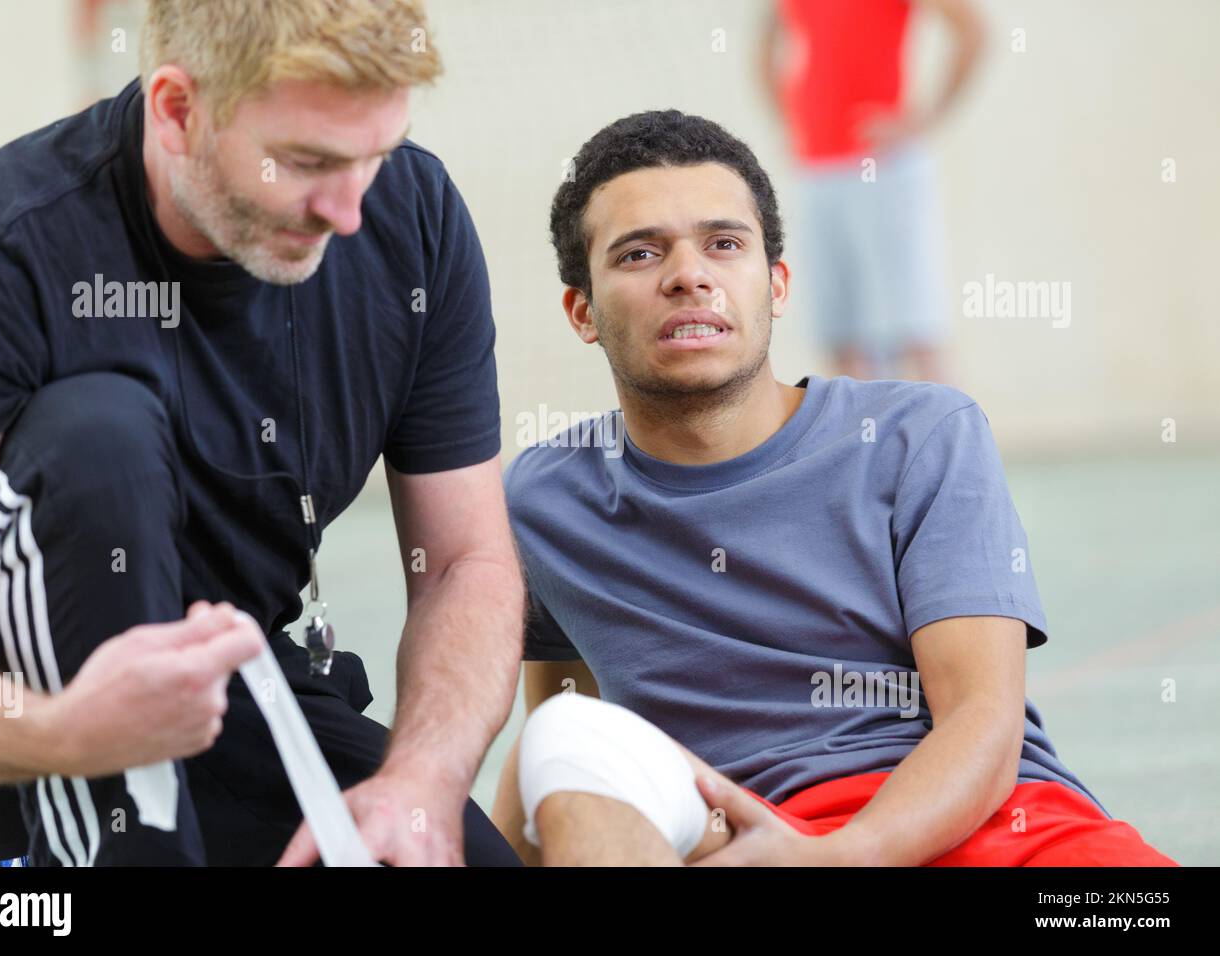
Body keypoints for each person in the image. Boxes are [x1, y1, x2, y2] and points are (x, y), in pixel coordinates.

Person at [0, 0, 523, 867]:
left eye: (375, 157)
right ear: (175, 109)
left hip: (229, 687)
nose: (348, 211)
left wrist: (419, 778)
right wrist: (66, 733)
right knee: (101, 434)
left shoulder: (410, 220)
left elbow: (467, 561)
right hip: (12, 723)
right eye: (310, 162)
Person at [491, 110, 1177, 867]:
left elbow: (984, 719)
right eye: (640, 252)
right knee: (557, 736)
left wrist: (845, 857)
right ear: (582, 312)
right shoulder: (543, 502)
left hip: (980, 827)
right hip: (742, 838)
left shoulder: (922, 432)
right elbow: (568, 751)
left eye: (724, 244)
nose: (689, 274)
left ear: (776, 284)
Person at [760, 0, 987, 382]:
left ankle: (949, 442)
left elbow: (974, 31)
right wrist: (794, 123)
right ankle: (873, 442)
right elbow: (767, 50)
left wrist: (924, 119)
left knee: (915, 329)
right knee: (843, 335)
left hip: (884, 167)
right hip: (817, 169)